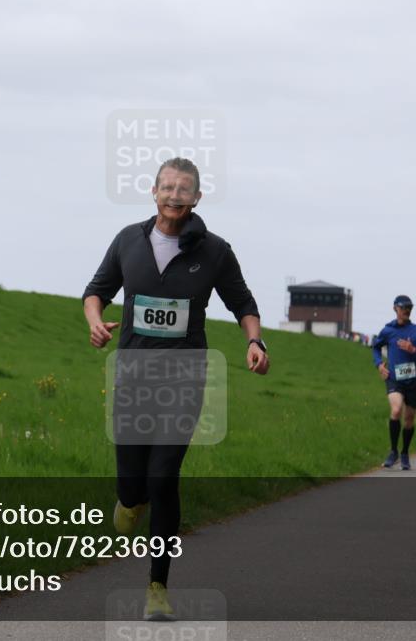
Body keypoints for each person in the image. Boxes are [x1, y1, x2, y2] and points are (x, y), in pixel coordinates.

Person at [82, 157, 269, 621]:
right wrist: (94, 323)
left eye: (184, 189)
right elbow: (96, 290)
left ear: (197, 198)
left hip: (184, 380)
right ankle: (129, 502)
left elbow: (243, 302)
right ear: (153, 191)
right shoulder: (128, 240)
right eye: (167, 187)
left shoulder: (216, 251)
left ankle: (157, 587)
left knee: (163, 478)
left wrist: (255, 341)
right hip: (132, 379)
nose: (174, 195)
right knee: (133, 487)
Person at [371, 295, 416, 471]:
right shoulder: (387, 330)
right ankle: (393, 451)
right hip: (394, 378)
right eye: (403, 307)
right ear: (395, 308)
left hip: (414, 381)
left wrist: (413, 350)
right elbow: (375, 347)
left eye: (410, 308)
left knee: (409, 419)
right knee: (396, 409)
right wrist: (379, 365)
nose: (407, 310)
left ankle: (405, 453)